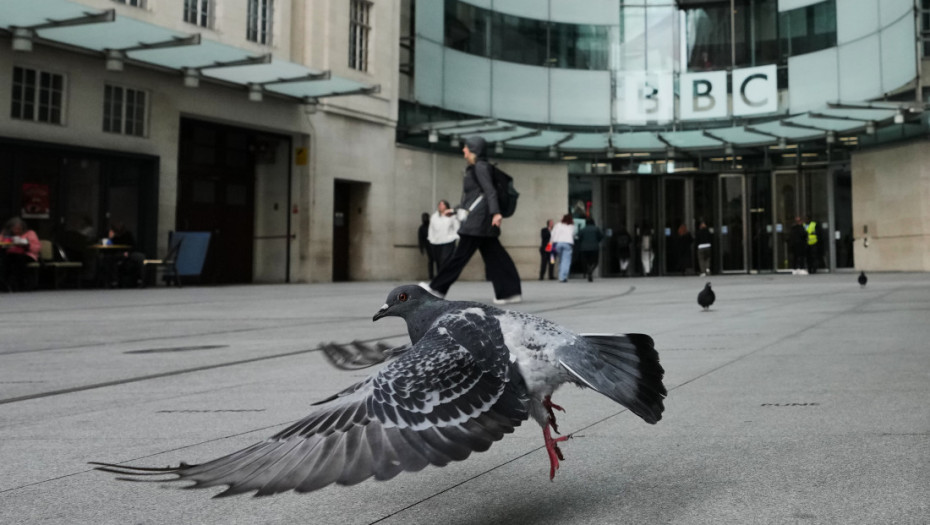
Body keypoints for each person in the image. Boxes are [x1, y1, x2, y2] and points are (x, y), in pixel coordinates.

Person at [421, 136, 522, 304]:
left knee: (458, 257)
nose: (463, 150)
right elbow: (473, 198)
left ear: (474, 149)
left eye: (466, 147)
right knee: (497, 257)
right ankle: (509, 292)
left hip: (478, 222)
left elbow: (490, 191)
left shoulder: (480, 167)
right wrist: (454, 210)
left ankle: (437, 288)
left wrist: (496, 213)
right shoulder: (477, 167)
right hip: (481, 222)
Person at [1, 217, 41, 291]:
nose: (17, 231)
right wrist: (6, 244)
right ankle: (5, 283)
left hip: (27, 255)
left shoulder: (30, 233)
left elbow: (36, 248)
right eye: (15, 229)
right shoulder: (5, 233)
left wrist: (26, 245)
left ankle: (20, 283)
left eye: (19, 229)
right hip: (10, 255)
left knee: (17, 259)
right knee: (6, 260)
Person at [427, 200, 459, 274]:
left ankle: (445, 275)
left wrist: (454, 236)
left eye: (442, 204)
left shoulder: (451, 216)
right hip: (436, 242)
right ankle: (440, 276)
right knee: (438, 260)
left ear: (446, 206)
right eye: (439, 204)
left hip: (448, 241)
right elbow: (431, 229)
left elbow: (456, 227)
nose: (440, 206)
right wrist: (431, 239)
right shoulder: (434, 216)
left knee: (444, 259)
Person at [550, 214, 576, 282]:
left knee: (561, 260)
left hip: (558, 243)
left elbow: (552, 234)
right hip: (567, 243)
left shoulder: (558, 225)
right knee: (566, 261)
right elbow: (573, 235)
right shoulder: (572, 226)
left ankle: (560, 275)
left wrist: (551, 243)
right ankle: (563, 277)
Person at [577, 217, 604, 282]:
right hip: (594, 247)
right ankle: (591, 270)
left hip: (584, 248)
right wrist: (597, 241)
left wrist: (582, 243)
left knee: (585, 261)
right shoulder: (596, 229)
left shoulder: (583, 229)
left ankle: (588, 269)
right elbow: (601, 236)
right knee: (595, 262)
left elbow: (578, 237)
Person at [417, 212, 434, 279]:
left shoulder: (432, 226)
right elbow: (420, 239)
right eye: (423, 218)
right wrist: (421, 248)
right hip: (428, 246)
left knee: (438, 261)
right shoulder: (421, 228)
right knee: (431, 260)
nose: (425, 219)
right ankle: (431, 276)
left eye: (426, 217)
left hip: (435, 245)